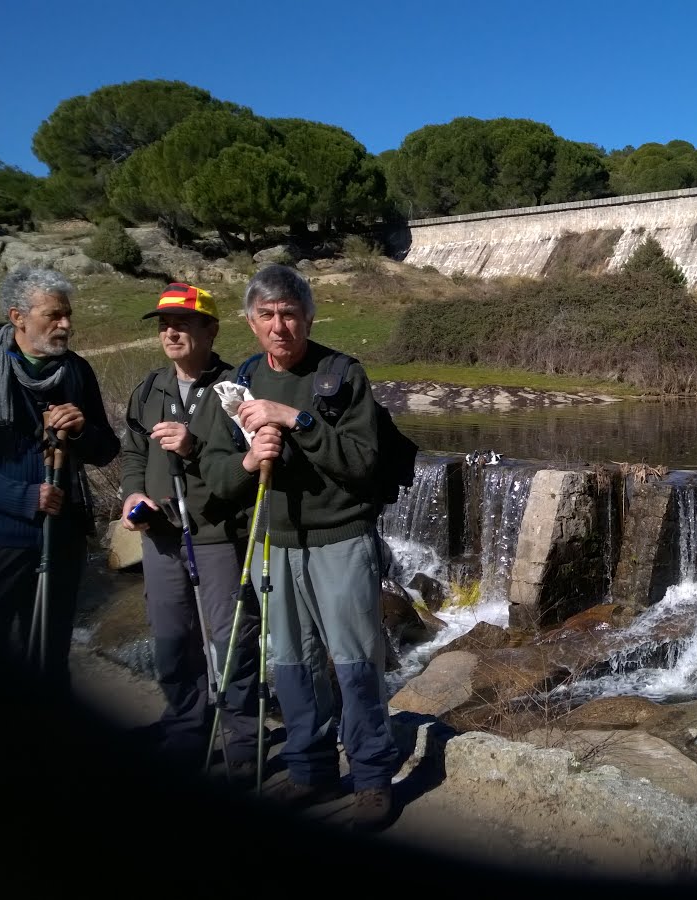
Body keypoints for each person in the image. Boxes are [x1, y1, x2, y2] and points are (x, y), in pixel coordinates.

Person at [192, 264, 405, 831]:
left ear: (308, 318)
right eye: (267, 315)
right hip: (274, 542)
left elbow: (363, 462)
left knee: (356, 663)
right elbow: (213, 473)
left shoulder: (341, 373)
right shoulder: (234, 384)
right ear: (250, 322)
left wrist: (296, 419)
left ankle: (371, 778)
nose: (279, 326)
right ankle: (310, 771)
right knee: (290, 663)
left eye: (290, 314)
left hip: (341, 539)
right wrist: (247, 458)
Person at [0, 265, 119, 694]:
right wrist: (22, 497)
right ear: (18, 317)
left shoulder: (76, 372)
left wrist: (82, 430)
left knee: (49, 658)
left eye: (67, 314)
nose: (65, 324)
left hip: (62, 536)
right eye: (53, 315)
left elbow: (106, 451)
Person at [118, 283, 261, 774]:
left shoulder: (234, 390)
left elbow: (250, 463)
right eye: (163, 325)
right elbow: (134, 451)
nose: (170, 333)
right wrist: (133, 493)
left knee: (232, 639)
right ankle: (186, 728)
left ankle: (243, 739)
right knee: (172, 638)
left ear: (211, 329)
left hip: (219, 534)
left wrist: (194, 445)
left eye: (182, 324)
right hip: (161, 535)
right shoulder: (149, 388)